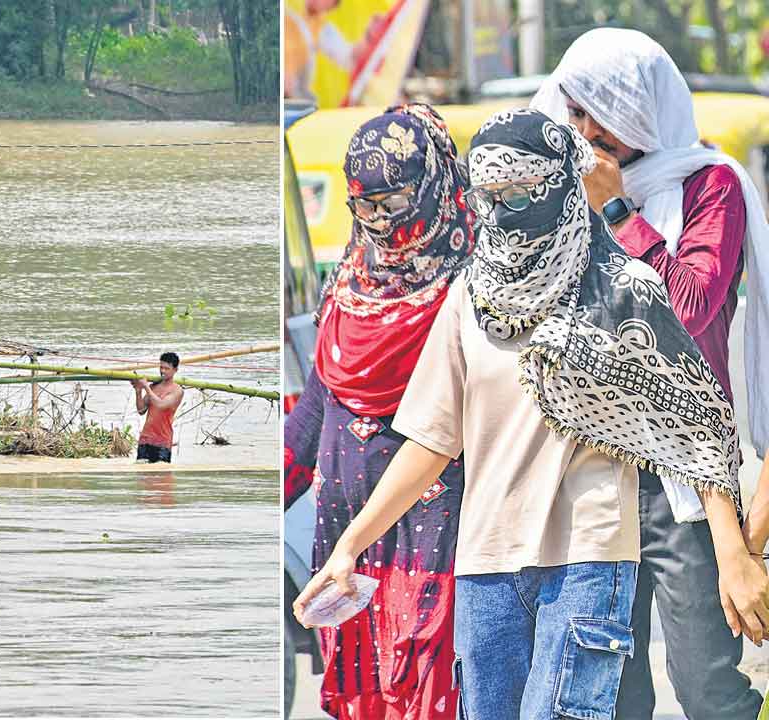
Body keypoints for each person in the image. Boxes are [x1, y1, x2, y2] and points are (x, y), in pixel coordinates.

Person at [295, 108, 756, 719]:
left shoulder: (623, 288)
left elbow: (690, 426)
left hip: (587, 562)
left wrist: (732, 555)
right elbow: (432, 440)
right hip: (486, 569)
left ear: (564, 187)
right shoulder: (472, 297)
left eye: (521, 192)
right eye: (489, 195)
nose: (503, 211)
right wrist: (349, 548)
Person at [531, 29, 769, 719]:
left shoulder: (708, 186)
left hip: (688, 477)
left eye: (598, 114)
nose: (583, 132)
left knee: (707, 685)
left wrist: (617, 212)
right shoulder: (561, 194)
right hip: (591, 469)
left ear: (639, 110)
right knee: (608, 691)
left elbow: (689, 312)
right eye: (573, 113)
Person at [282, 103, 474, 719]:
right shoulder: (352, 280)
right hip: (347, 545)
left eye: (394, 204)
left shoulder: (474, 286)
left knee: (430, 694)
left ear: (435, 190)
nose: (381, 224)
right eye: (365, 207)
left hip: (438, 539)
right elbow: (317, 407)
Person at [133, 352, 183, 463]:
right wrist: (138, 391)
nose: (163, 371)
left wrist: (146, 386)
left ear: (175, 370)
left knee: (161, 477)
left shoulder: (177, 390)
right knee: (142, 476)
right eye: (161, 367)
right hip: (145, 439)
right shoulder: (154, 386)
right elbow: (141, 410)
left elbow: (161, 405)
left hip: (163, 441)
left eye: (167, 368)